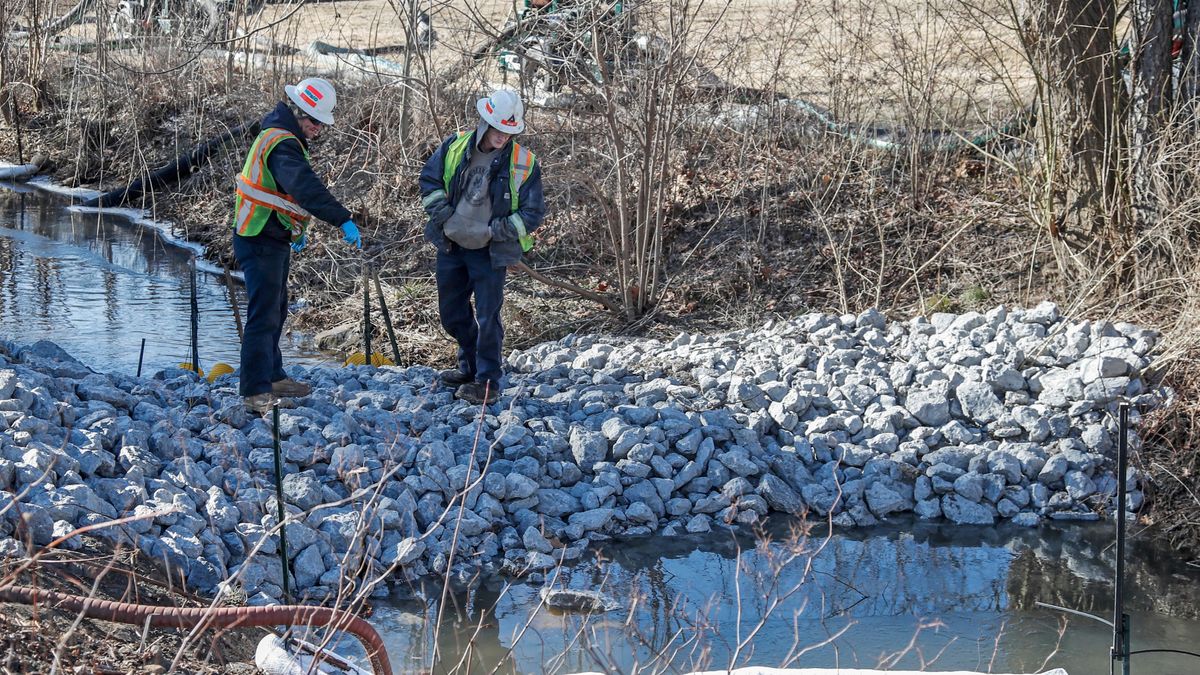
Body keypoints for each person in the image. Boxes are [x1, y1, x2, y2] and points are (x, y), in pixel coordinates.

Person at [232, 77, 364, 412]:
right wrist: (341, 217)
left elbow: (282, 192)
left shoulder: (281, 136)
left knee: (275, 307)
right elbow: (303, 187)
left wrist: (296, 228)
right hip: (259, 235)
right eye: (316, 120)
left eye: (322, 122)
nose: (319, 128)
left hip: (270, 233)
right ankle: (255, 392)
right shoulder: (283, 143)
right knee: (263, 314)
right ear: (300, 111)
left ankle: (273, 375)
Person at [418, 89, 545, 405]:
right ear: (485, 122)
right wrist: (444, 216)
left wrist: (496, 231)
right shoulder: (454, 146)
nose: (503, 136)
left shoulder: (524, 163)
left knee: (489, 317)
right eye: (499, 129)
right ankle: (470, 366)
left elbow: (532, 212)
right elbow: (429, 181)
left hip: (490, 251)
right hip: (452, 245)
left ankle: (487, 382)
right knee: (451, 314)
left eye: (510, 131)